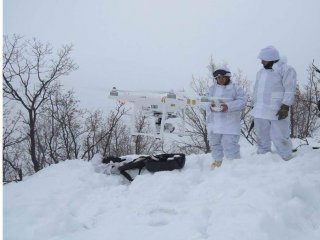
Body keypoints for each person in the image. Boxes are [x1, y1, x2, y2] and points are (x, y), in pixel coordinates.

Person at [251, 46, 297, 160]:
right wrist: (255, 107)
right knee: (261, 137)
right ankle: (263, 157)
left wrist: (285, 105)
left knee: (280, 136)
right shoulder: (260, 73)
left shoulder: (286, 69)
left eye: (264, 59)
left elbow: (290, 89)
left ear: (272, 58)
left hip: (277, 110)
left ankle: (286, 157)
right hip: (260, 111)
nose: (261, 62)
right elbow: (256, 91)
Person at [206, 66, 246, 169]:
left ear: (228, 77)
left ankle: (234, 166)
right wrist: (210, 106)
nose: (220, 80)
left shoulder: (235, 88)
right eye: (218, 78)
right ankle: (217, 162)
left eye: (223, 77)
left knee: (230, 145)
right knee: (215, 144)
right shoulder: (212, 89)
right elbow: (203, 101)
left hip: (230, 124)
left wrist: (228, 106)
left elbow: (242, 102)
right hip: (214, 123)